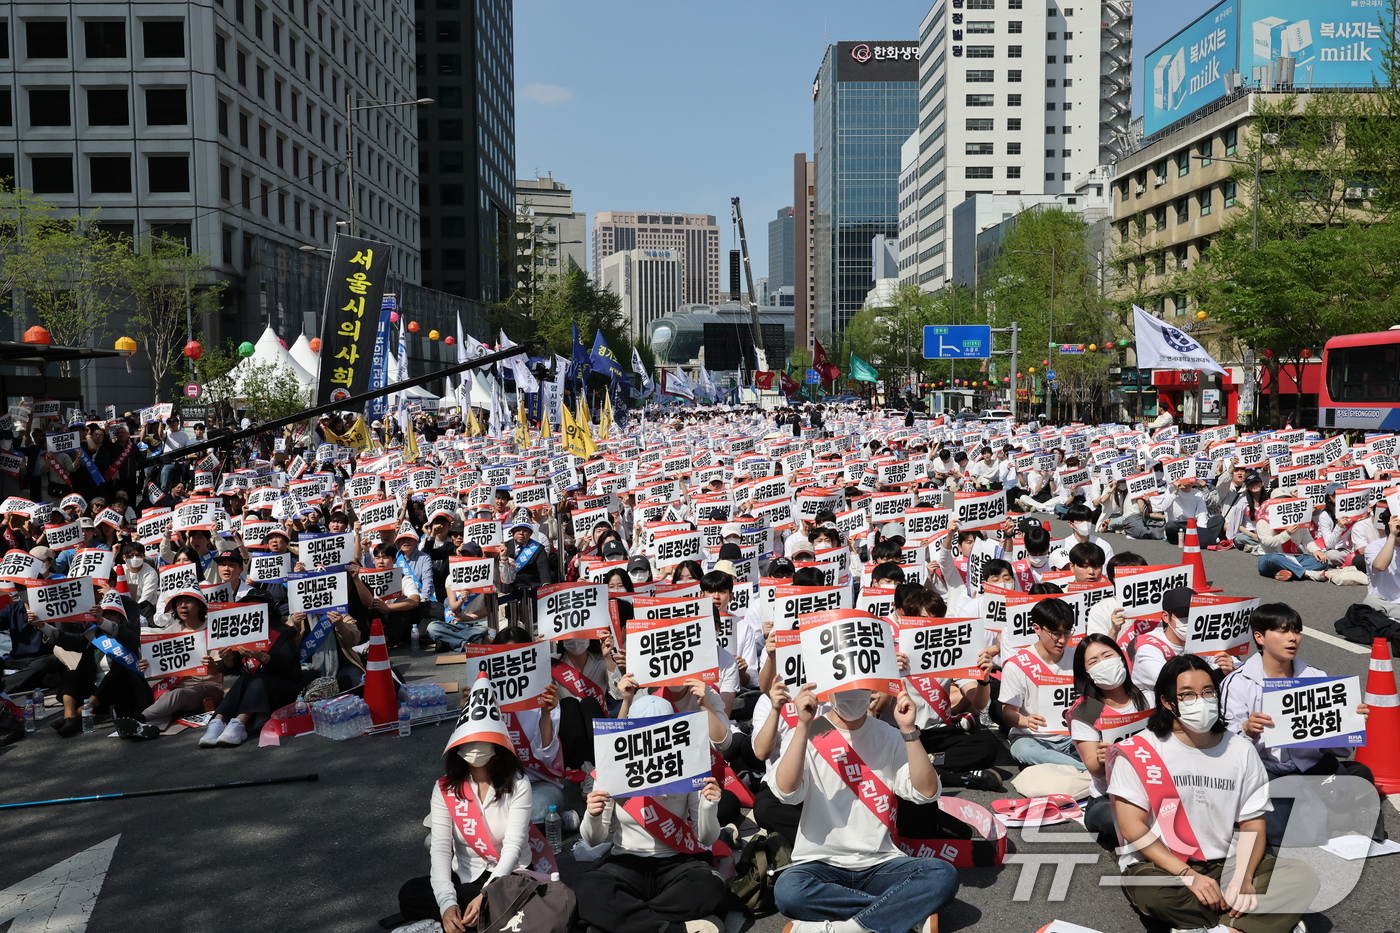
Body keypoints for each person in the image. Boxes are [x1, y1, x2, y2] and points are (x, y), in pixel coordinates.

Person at [1108, 654, 1319, 933]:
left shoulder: (1241, 750)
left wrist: (1243, 878)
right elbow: (1131, 826)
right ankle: (1256, 922)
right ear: (1167, 702)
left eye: (1208, 692)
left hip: (1227, 862)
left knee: (1303, 878)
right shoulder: (1140, 750)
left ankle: (1223, 928)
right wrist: (1188, 875)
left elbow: (1253, 823)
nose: (1201, 700)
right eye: (1187, 694)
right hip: (1166, 866)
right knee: (1151, 891)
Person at [767, 681, 958, 933]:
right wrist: (803, 725)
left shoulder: (890, 734)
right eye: (845, 687)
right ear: (829, 689)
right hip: (821, 863)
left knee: (943, 874)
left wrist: (909, 730)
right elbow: (786, 792)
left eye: (861, 687)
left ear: (872, 690)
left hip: (882, 863)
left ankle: (849, 928)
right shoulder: (807, 732)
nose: (853, 695)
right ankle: (903, 915)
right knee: (788, 891)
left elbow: (926, 792)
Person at [1221, 602, 1379, 846]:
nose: (1292, 638)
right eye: (1282, 631)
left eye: (1296, 631)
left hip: (1311, 767)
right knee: (1296, 831)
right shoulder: (1238, 682)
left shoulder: (1317, 678)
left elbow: (1336, 751)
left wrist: (1349, 725)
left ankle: (1316, 810)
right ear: (1259, 637)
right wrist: (1246, 729)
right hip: (1266, 769)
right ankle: (1330, 816)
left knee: (1361, 776)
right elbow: (1224, 747)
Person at [575, 694, 730, 933]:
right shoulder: (610, 769)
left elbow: (707, 838)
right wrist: (592, 815)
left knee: (711, 886)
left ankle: (625, 921)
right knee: (587, 887)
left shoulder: (690, 766)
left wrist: (710, 807)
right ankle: (671, 930)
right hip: (625, 861)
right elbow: (593, 839)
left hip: (676, 861)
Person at [392, 706, 535, 933]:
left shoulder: (517, 783)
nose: (475, 747)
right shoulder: (445, 788)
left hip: (510, 875)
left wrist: (486, 894)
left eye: (483, 738)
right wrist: (447, 904)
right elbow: (440, 849)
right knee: (411, 893)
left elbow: (514, 846)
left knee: (473, 898)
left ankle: (461, 921)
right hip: (465, 874)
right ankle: (462, 920)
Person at [1067, 634, 1154, 850]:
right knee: (1109, 818)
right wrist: (1101, 758)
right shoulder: (1088, 710)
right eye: (1094, 661)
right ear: (1086, 674)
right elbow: (1095, 769)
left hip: (1155, 788)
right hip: (1110, 797)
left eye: (1107, 655)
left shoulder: (1149, 698)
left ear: (1121, 658)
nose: (1103, 663)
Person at [999, 598, 1084, 769]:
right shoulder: (1017, 665)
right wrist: (1025, 720)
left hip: (1073, 736)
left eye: (1067, 633)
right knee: (1023, 750)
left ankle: (1076, 767)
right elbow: (1008, 711)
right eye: (1055, 633)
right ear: (1036, 628)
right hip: (1032, 738)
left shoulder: (1079, 657)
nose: (1062, 640)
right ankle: (1086, 769)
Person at [1127, 586, 1236, 694]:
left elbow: (1238, 666)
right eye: (1183, 615)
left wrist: (1231, 668)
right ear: (1166, 617)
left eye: (1194, 614)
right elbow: (1170, 684)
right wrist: (1218, 672)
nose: (1189, 619)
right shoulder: (1148, 646)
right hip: (1153, 707)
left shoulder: (1203, 637)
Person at [1363, 510, 1400, 619]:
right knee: (1371, 602)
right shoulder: (1375, 546)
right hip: (1384, 603)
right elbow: (1381, 566)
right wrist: (1393, 535)